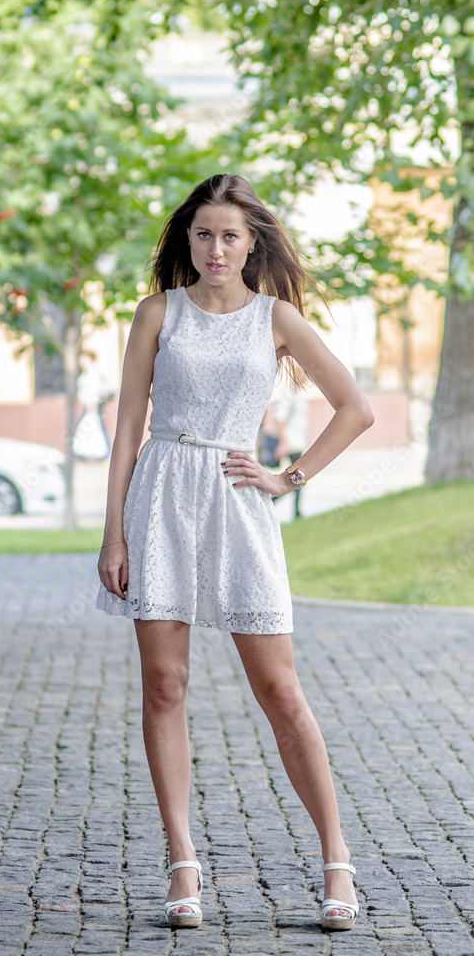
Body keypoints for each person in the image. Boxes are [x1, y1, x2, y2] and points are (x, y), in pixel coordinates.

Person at [95, 174, 374, 932]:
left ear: (253, 243)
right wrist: (114, 532)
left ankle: (336, 859)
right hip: (159, 495)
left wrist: (289, 477)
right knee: (165, 685)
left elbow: (356, 408)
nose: (215, 248)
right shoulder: (158, 313)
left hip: (238, 500)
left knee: (280, 692)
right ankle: (182, 860)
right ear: (186, 240)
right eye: (203, 235)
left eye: (229, 236)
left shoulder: (276, 319)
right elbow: (127, 431)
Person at [271, 376, 310, 518]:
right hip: (291, 443)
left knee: (298, 479)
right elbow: (280, 418)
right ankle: (275, 502)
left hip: (299, 442)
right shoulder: (288, 392)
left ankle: (294, 510)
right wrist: (284, 443)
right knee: (298, 478)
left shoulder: (299, 393)